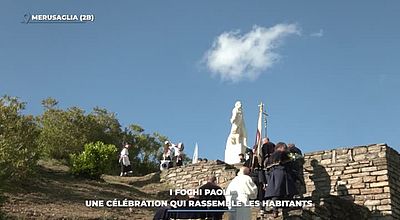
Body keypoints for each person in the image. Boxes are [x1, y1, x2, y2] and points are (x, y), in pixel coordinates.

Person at [265, 142, 298, 216]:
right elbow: (290, 164)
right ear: (281, 147)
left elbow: (267, 169)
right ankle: (285, 207)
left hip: (272, 175)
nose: (286, 149)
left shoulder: (270, 157)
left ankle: (275, 210)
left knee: (275, 193)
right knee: (289, 191)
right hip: (282, 173)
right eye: (285, 148)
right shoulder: (283, 154)